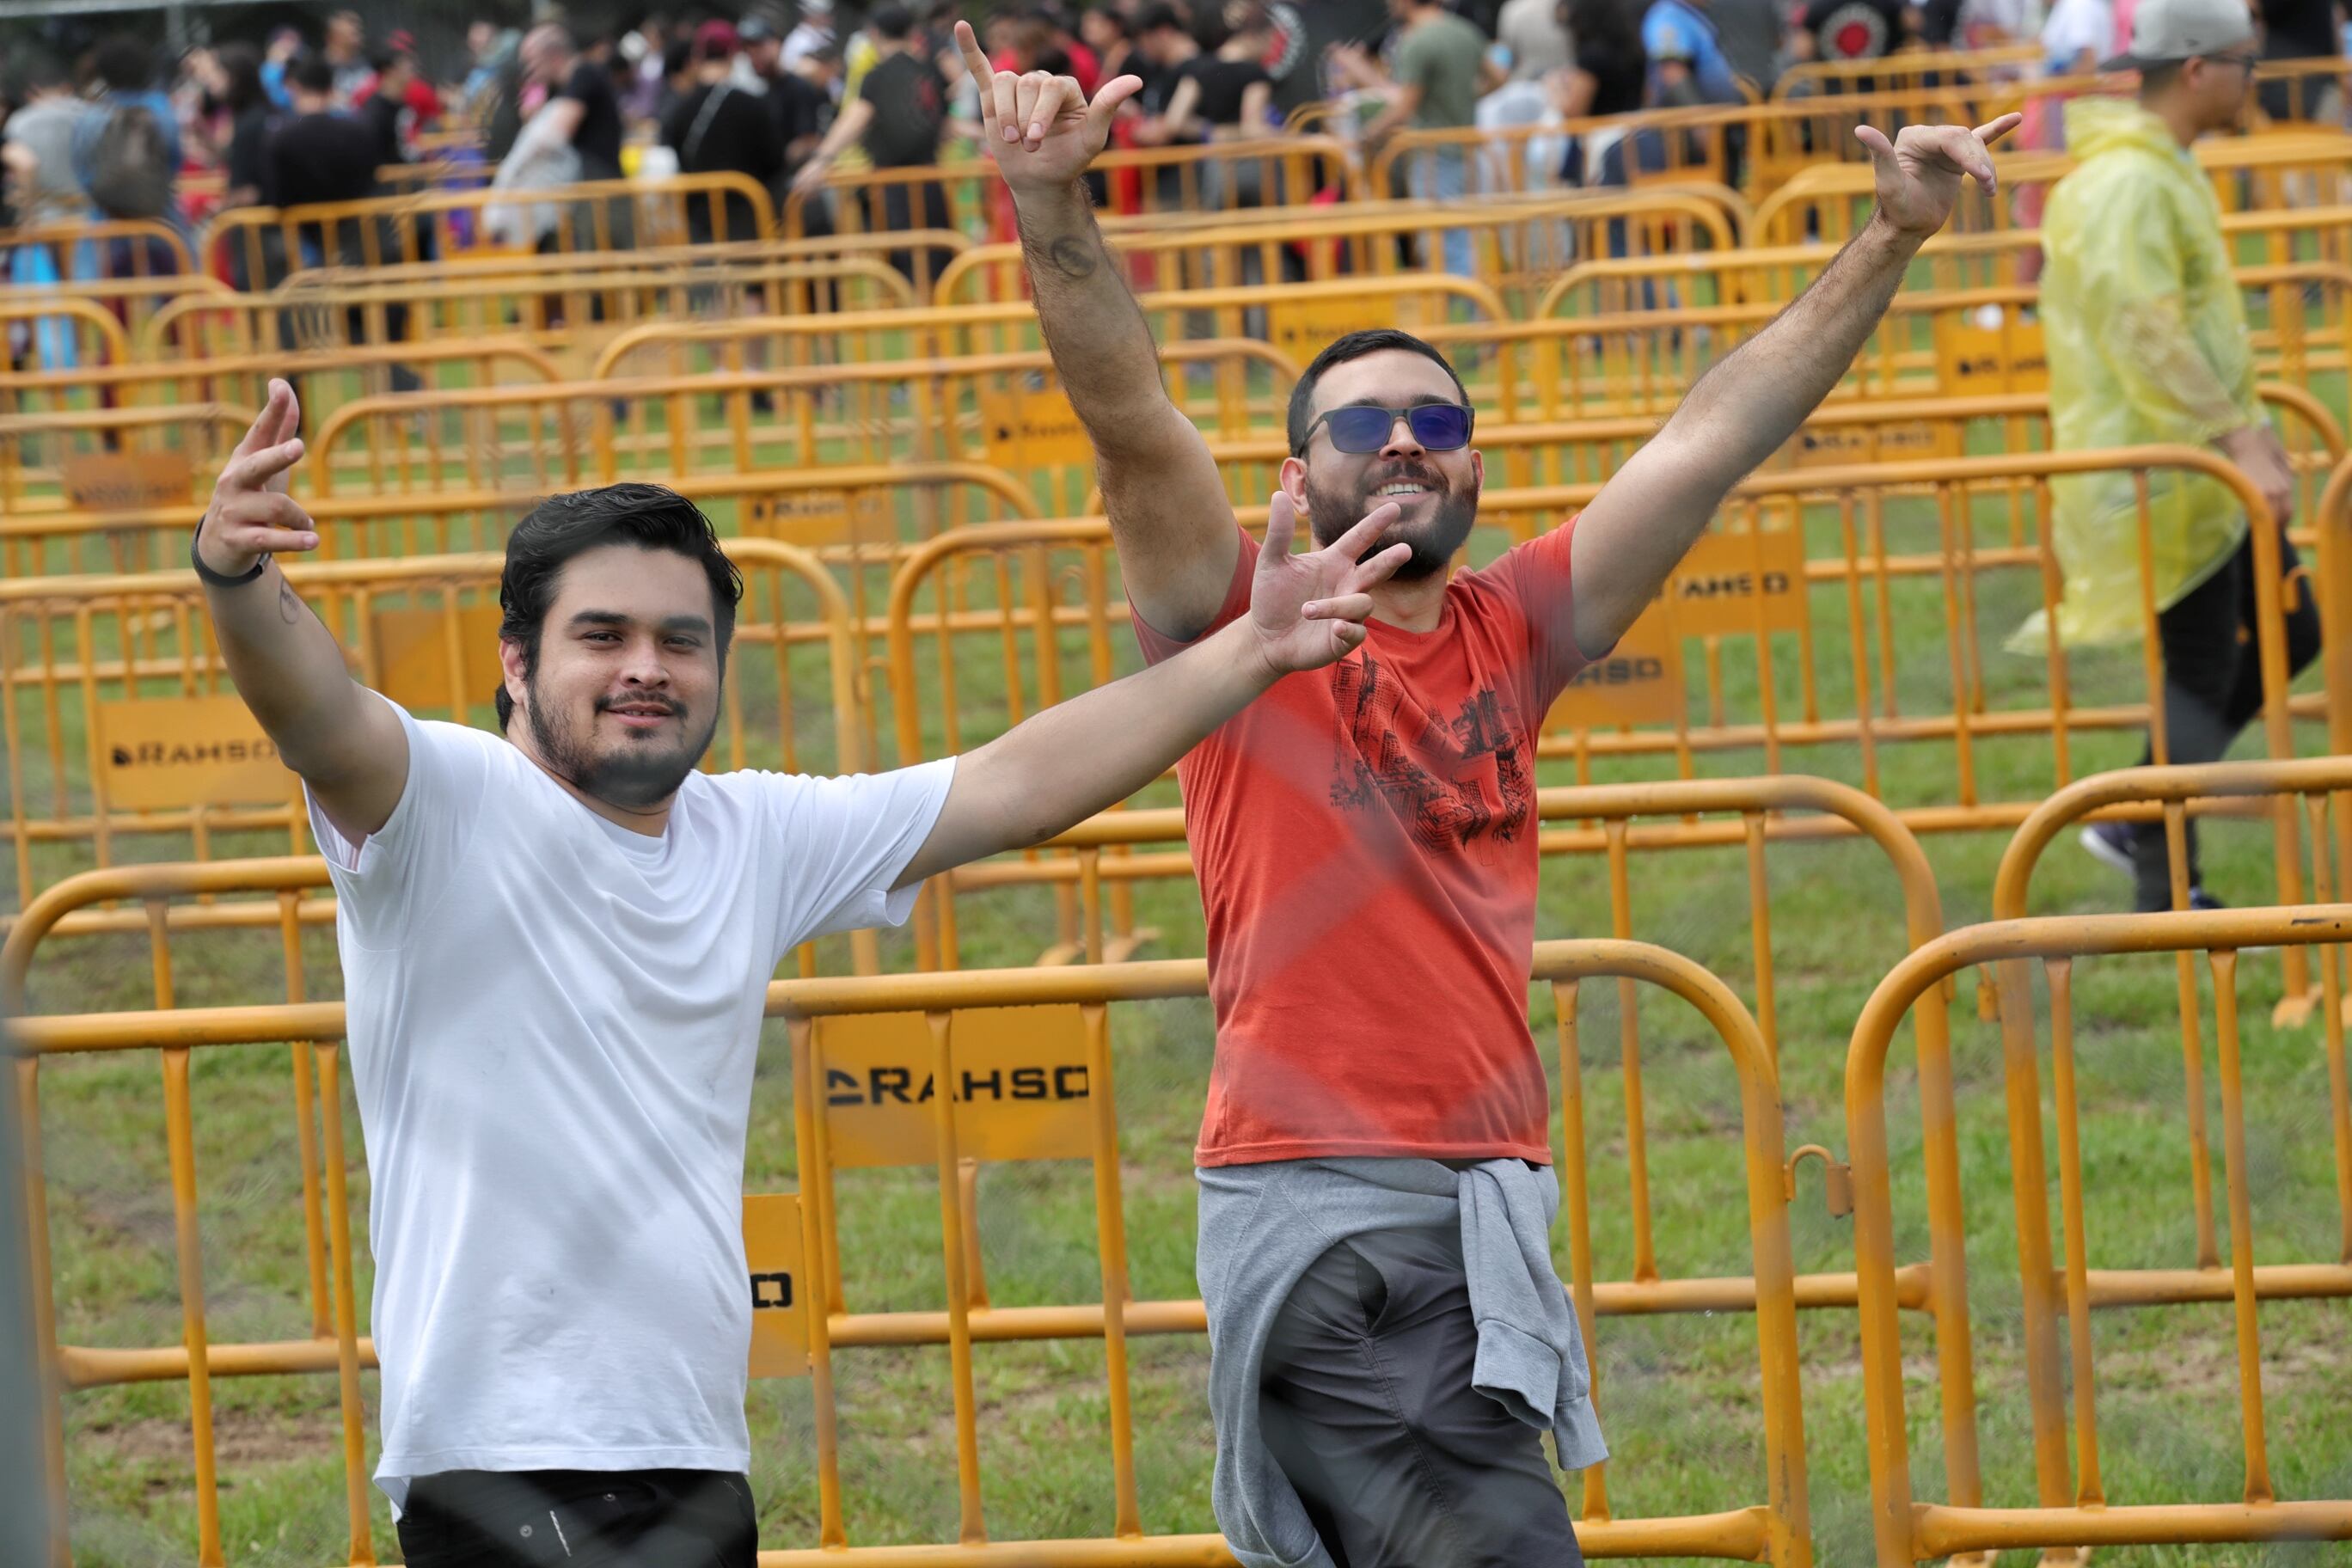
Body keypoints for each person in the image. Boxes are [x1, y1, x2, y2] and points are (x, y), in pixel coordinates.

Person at [960, 26, 2011, 1565]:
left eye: (1438, 422)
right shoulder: (1232, 622)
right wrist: (1050, 209)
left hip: (1473, 1205)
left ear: (1471, 465)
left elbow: (1712, 435)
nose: (1403, 439)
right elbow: (1128, 423)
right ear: (1298, 465)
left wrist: (1888, 239)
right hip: (1319, 1204)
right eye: (1363, 423)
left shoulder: (1509, 629)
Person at [191, 373, 1403, 1568]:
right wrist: (239, 582)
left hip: (693, 1449)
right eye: (599, 636)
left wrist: (1252, 650)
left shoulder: (746, 834)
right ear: (516, 662)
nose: (646, 669)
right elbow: (319, 715)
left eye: (681, 640)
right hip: (499, 1456)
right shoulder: (446, 803)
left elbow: (1016, 786)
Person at [2039, 0, 2322, 912]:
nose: (2255, 81)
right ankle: (2158, 862)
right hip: (2167, 469)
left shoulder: (2160, 170)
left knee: (2293, 629)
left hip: (2197, 462)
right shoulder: (2133, 182)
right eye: (2246, 64)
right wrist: (2235, 434)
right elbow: (2146, 327)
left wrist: (2249, 430)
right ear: (2197, 69)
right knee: (2201, 666)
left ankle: (2143, 830)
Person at [1333, 0, 1500, 277]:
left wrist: (1365, 135)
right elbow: (1497, 76)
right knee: (1462, 236)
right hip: (1467, 148)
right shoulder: (1464, 31)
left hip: (1433, 153)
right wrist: (1467, 99)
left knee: (1446, 242)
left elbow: (1405, 104)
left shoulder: (1417, 42)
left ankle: (1471, 313)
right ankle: (1472, 310)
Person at [793, 3, 952, 284]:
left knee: (908, 263)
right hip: (931, 179)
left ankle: (923, 321)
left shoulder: (877, 77)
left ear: (875, 34)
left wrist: (820, 161)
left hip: (894, 184)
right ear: (912, 32)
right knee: (938, 258)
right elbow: (943, 119)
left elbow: (854, 119)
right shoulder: (927, 70)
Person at [661, 21, 785, 243]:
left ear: (697, 55)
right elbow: (775, 161)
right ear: (733, 54)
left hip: (698, 227)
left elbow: (675, 159)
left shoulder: (679, 110)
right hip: (749, 223)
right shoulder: (754, 105)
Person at [72, 35, 183, 230]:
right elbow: (174, 159)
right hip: (160, 222)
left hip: (106, 225)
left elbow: (83, 167)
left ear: (103, 72)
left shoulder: (92, 116)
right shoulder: (162, 108)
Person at [1498, 0, 1575, 80]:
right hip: (1566, 80)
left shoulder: (1512, 9)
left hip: (1525, 79)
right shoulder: (1565, 5)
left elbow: (1507, 54)